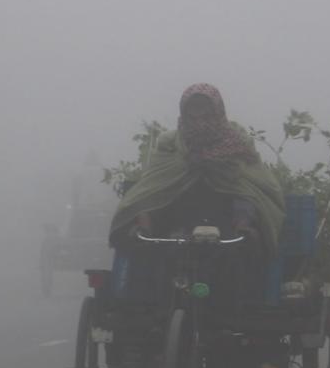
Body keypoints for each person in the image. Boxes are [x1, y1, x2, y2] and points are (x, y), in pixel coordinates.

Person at [109, 83, 285, 256]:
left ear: (218, 114)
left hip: (228, 228)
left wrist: (244, 226)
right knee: (148, 265)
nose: (200, 123)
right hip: (174, 228)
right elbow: (149, 193)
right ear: (184, 116)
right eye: (193, 118)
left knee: (241, 263)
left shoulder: (237, 143)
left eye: (206, 117)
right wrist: (144, 226)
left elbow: (249, 192)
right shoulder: (170, 145)